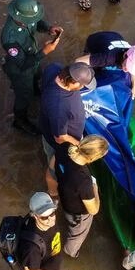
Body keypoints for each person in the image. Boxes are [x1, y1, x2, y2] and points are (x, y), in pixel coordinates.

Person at [0, 0, 62, 135]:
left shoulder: (27, 17)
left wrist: (48, 28)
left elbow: (36, 21)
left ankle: (35, 90)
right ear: (18, 18)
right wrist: (45, 52)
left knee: (37, 76)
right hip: (20, 69)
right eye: (28, 20)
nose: (31, 21)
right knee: (23, 96)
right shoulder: (9, 38)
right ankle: (19, 120)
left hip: (33, 57)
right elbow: (23, 64)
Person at [39, 62, 97, 196]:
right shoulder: (59, 105)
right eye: (81, 85)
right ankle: (53, 190)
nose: (82, 87)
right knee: (56, 165)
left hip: (49, 121)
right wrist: (79, 144)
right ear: (72, 81)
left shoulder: (55, 68)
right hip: (60, 144)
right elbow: (60, 138)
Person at [57, 135, 108, 257]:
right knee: (76, 236)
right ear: (92, 158)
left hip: (65, 199)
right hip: (78, 214)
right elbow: (94, 210)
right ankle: (71, 252)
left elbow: (52, 167)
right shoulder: (84, 181)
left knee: (70, 224)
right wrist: (94, 187)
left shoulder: (64, 150)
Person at [78, 34, 135, 98]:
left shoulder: (132, 52)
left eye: (131, 67)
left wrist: (134, 87)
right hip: (95, 40)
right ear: (125, 55)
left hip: (114, 36)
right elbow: (78, 61)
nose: (127, 69)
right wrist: (82, 81)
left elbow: (134, 73)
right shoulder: (108, 58)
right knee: (89, 66)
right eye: (128, 65)